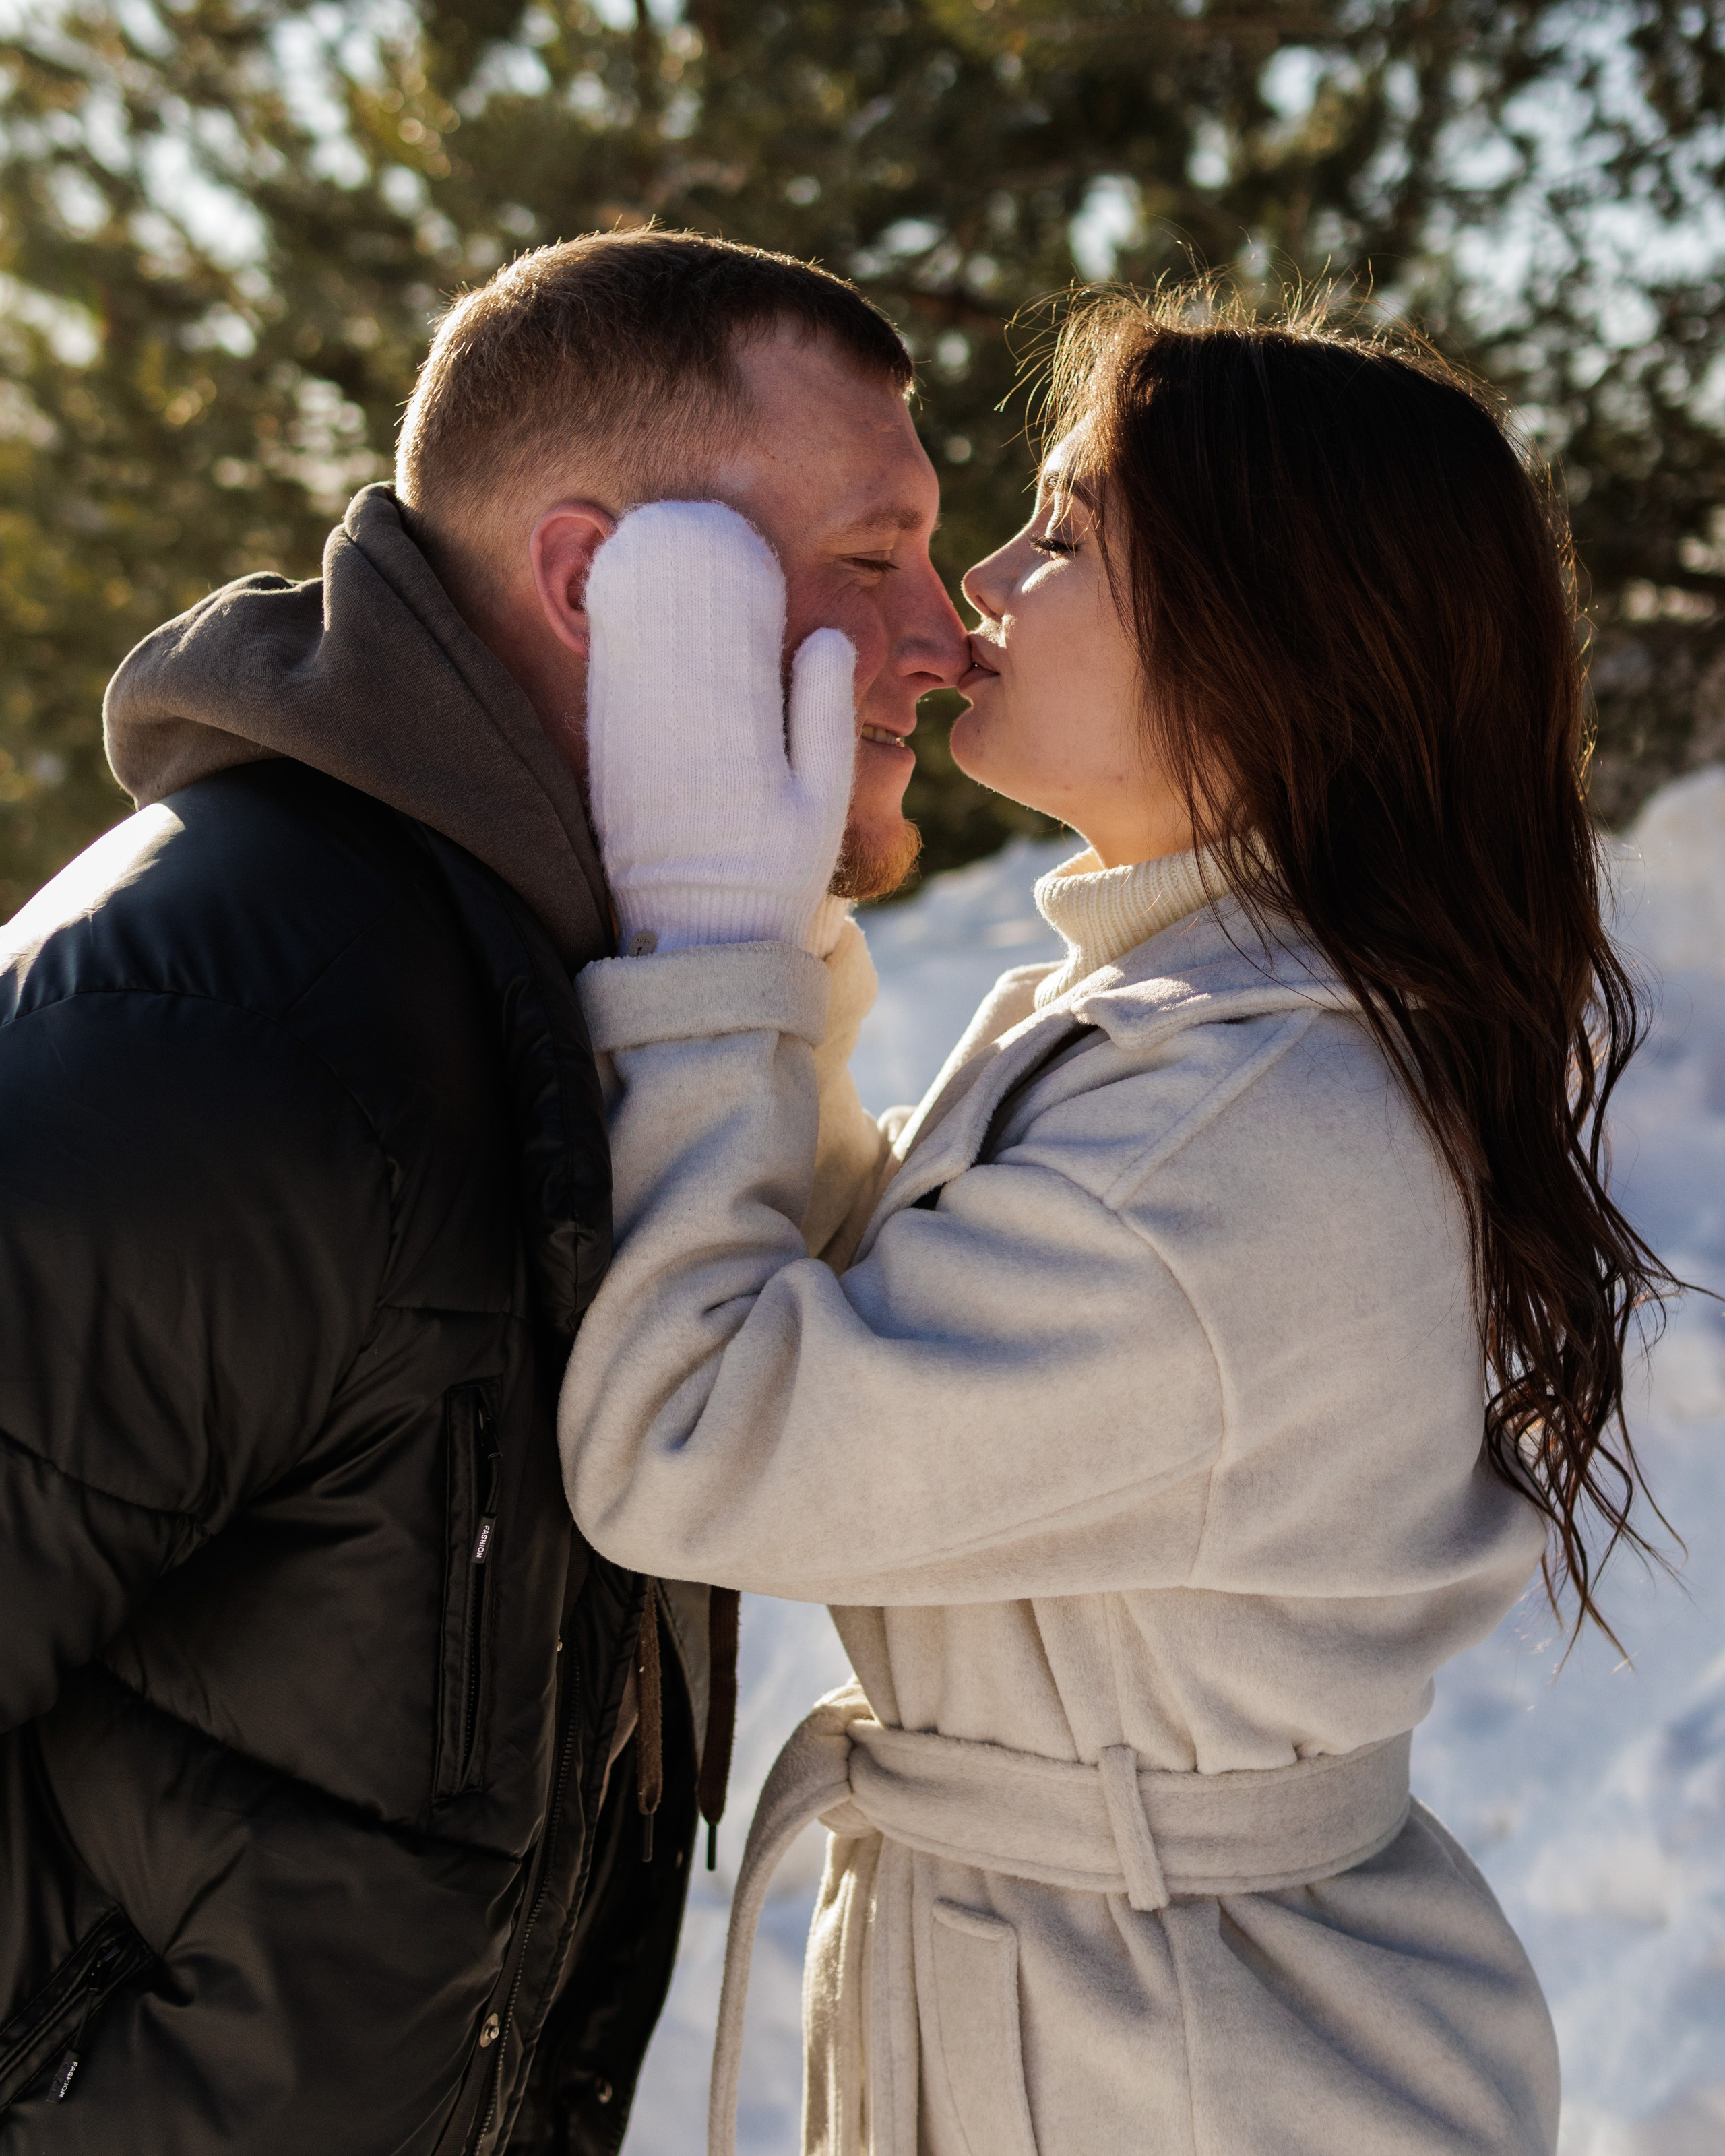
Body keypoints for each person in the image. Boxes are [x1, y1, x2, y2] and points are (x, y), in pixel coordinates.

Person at [557, 290, 1673, 2155]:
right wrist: (785, 906)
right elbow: (866, 1299)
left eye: (1066, 535)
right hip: (1125, 2009)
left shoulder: (1241, 1138)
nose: (986, 579)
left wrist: (707, 939)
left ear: (1273, 642)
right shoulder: (1205, 1038)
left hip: (1174, 2063)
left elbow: (698, 1437)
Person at [0, 229, 965, 2153]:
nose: (946, 640)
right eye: (873, 561)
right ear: (607, 584)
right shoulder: (233, 1031)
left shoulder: (563, 1030)